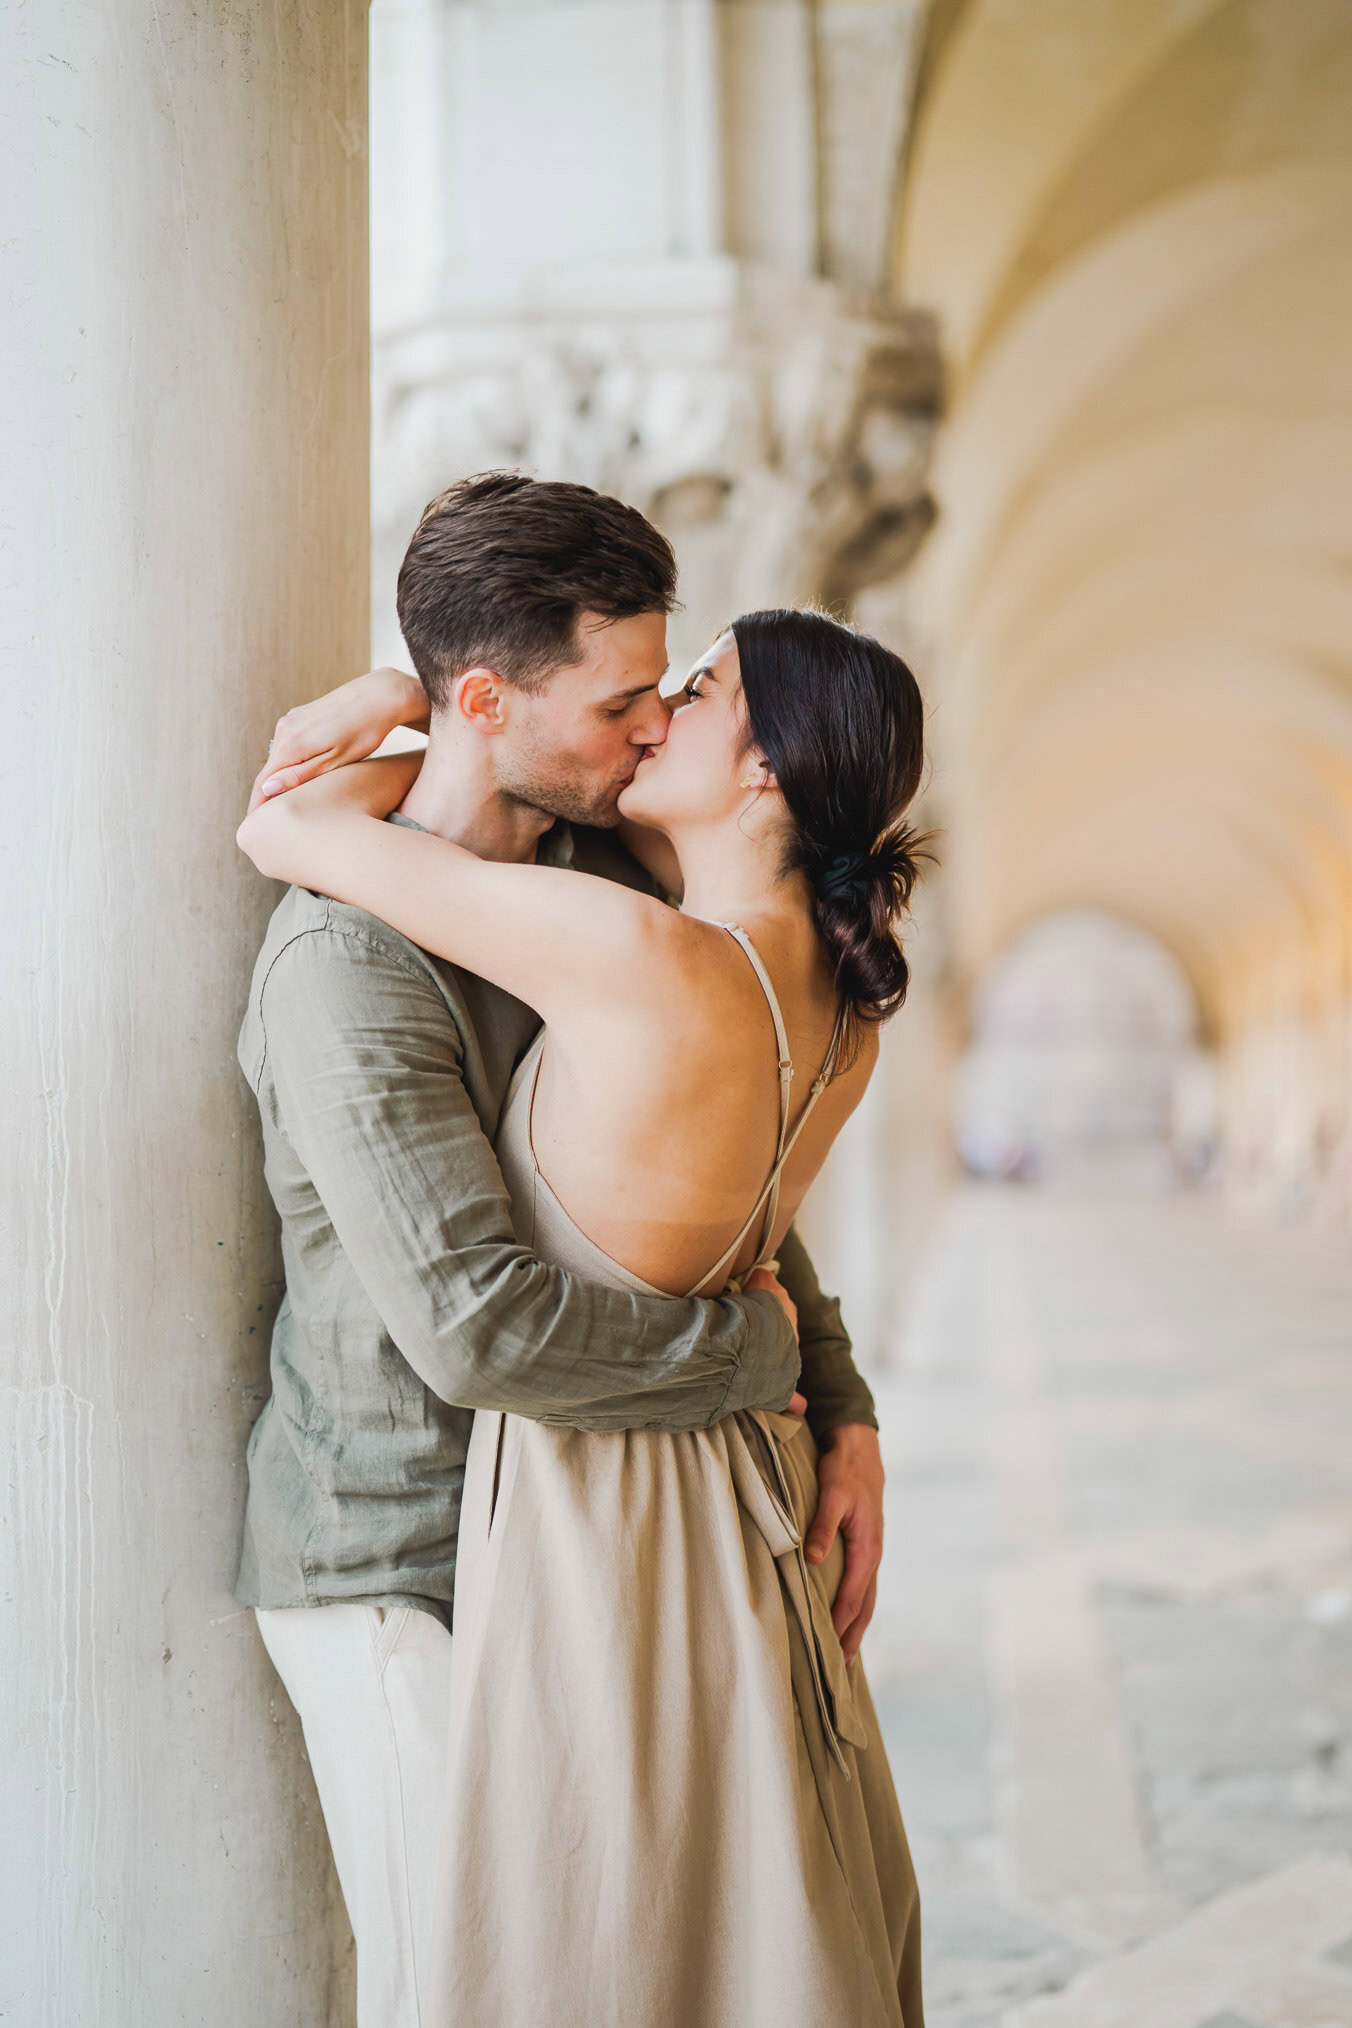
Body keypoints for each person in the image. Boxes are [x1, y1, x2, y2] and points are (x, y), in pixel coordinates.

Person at [237, 483, 928, 2027]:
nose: (645, 729)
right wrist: (756, 1368)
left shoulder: (608, 890)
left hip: (574, 1547)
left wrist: (845, 1400)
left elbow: (731, 1196)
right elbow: (480, 1327)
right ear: (490, 700)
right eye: (626, 700)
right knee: (463, 1991)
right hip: (403, 1558)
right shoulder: (349, 963)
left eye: (670, 697)